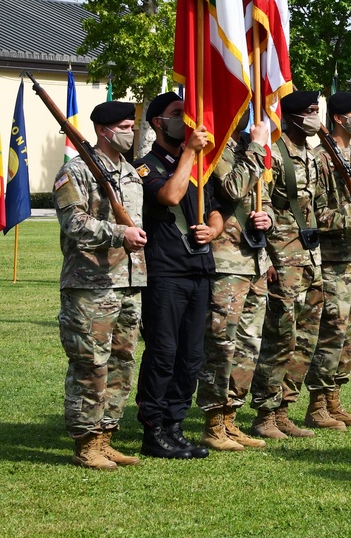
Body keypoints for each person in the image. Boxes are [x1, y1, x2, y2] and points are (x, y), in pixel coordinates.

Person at [54, 101, 147, 470]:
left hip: (128, 280)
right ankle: (85, 441)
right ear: (105, 130)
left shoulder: (131, 173)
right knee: (90, 364)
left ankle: (106, 435)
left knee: (122, 361)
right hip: (89, 283)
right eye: (125, 126)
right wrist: (118, 233)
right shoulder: (75, 170)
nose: (131, 132)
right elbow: (74, 223)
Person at [134, 92, 223, 460]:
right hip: (166, 272)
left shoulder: (200, 166)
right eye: (177, 115)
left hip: (199, 269)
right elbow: (170, 196)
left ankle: (175, 425)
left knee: (190, 355)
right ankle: (154, 430)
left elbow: (215, 209)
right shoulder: (145, 166)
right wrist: (188, 151)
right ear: (158, 122)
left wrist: (213, 231)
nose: (185, 121)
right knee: (163, 352)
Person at [249, 90, 326, 440]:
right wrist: (265, 257)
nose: (315, 117)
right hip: (283, 259)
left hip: (310, 259)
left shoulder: (309, 155)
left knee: (306, 339)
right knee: (281, 336)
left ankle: (284, 409)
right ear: (293, 116)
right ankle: (265, 412)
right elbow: (260, 209)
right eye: (310, 111)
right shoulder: (274, 157)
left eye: (317, 111)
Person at [195, 112, 274, 451]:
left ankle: (231, 417)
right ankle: (213, 422)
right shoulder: (216, 148)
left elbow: (260, 196)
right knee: (221, 344)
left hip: (254, 259)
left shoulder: (244, 148)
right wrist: (257, 146)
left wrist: (265, 215)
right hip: (226, 260)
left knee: (248, 344)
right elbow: (231, 189)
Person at [305, 92, 351, 430]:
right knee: (330, 332)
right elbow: (314, 214)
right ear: (337, 118)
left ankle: (335, 399)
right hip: (332, 259)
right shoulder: (321, 158)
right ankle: (317, 405)